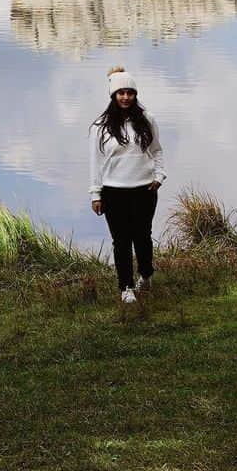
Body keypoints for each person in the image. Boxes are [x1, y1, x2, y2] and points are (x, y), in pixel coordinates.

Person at [89, 66, 167, 304]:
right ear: (113, 95)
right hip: (113, 192)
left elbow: (157, 150)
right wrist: (96, 194)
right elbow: (96, 161)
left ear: (135, 95)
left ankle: (146, 275)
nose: (125, 97)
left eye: (130, 93)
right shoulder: (100, 127)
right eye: (120, 93)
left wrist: (159, 176)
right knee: (121, 240)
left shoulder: (147, 120)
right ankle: (126, 287)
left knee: (142, 236)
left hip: (144, 190)